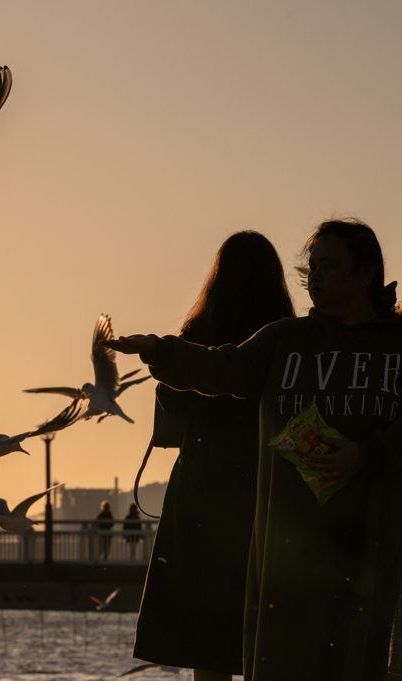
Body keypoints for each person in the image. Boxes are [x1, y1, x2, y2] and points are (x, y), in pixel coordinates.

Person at [106, 219, 402, 680]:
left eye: (328, 266)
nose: (315, 278)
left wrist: (369, 454)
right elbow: (225, 369)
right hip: (284, 542)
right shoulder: (287, 338)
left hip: (362, 541)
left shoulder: (393, 346)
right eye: (310, 269)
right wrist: (158, 352)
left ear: (365, 273)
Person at [132, 231, 295, 681]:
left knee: (205, 638)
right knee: (265, 630)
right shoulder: (287, 336)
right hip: (267, 488)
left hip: (203, 491)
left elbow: (178, 406)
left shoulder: (198, 334)